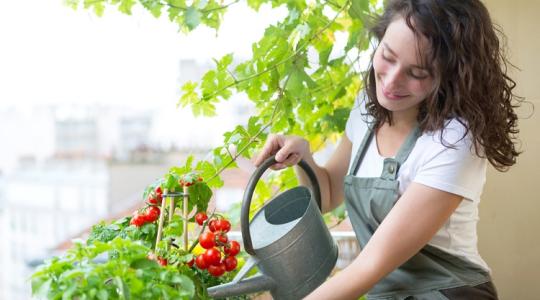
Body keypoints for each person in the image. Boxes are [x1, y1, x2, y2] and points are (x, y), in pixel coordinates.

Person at [254, 0, 522, 299]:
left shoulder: (455, 139)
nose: (392, 81)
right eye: (387, 56)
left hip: (448, 293)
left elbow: (371, 265)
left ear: (448, 75)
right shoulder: (367, 110)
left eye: (417, 73)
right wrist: (304, 159)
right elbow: (327, 194)